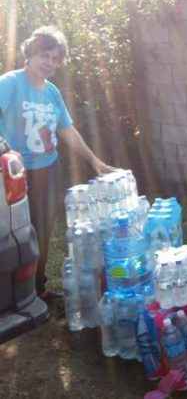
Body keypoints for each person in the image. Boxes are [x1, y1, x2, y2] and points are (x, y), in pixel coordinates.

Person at [0, 26, 114, 300]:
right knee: (14, 234)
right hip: (14, 175)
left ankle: (36, 289)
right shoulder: (10, 83)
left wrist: (95, 161)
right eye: (44, 55)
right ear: (30, 53)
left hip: (48, 170)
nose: (49, 63)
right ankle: (11, 295)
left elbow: (67, 131)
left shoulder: (52, 93)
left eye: (55, 58)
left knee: (42, 231)